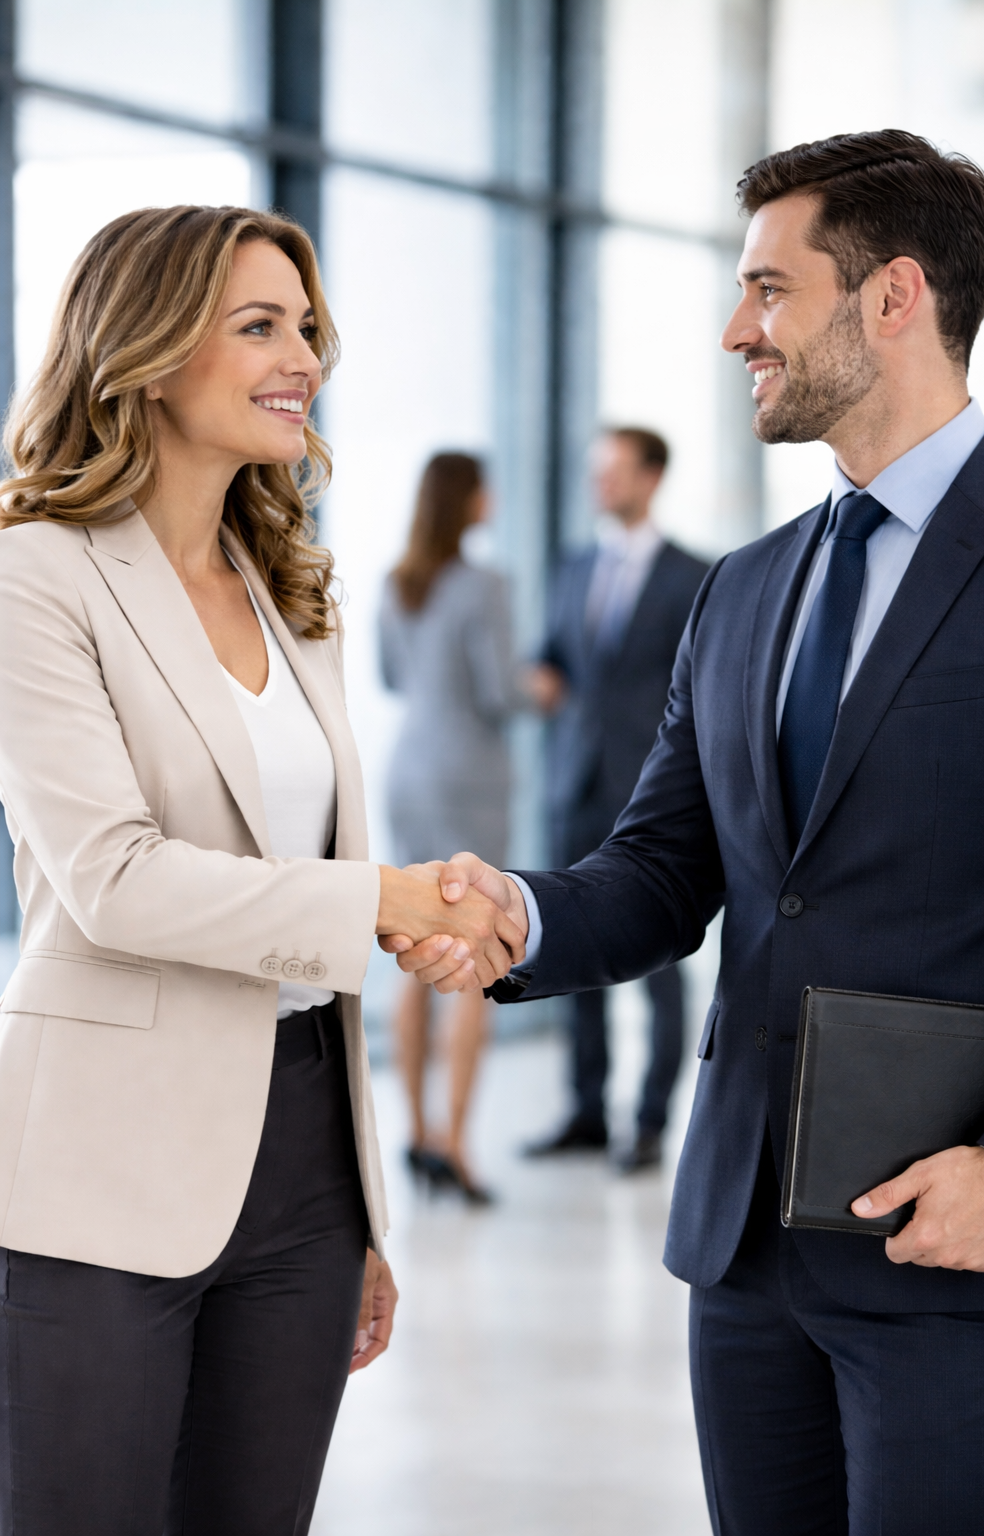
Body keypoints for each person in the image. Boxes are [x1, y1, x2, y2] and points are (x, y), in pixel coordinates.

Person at [386, 131, 984, 1535]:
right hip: (741, 1261)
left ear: (894, 298)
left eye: (769, 289)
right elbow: (668, 868)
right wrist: (521, 911)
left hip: (964, 1264)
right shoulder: (743, 590)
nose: (739, 328)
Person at [0, 204, 521, 1535]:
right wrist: (393, 902)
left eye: (306, 327)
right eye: (258, 326)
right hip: (102, 1155)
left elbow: (307, 867)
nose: (303, 357)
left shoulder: (297, 586)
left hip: (303, 1154)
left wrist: (359, 1211)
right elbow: (115, 880)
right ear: (149, 351)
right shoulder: (33, 577)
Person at [523, 427, 709, 1170]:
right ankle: (586, 1112)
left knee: (659, 963)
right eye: (596, 471)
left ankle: (653, 1121)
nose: (602, 484)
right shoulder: (574, 567)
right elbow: (555, 657)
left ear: (652, 478)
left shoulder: (693, 575)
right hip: (576, 781)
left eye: (616, 472)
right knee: (572, 951)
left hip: (652, 796)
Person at [380, 451, 523, 1202]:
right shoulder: (487, 585)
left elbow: (393, 677)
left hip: (409, 769)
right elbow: (502, 689)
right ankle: (460, 1147)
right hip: (469, 775)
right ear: (467, 499)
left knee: (412, 941)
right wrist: (548, 689)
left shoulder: (396, 583)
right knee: (473, 950)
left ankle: (417, 1133)